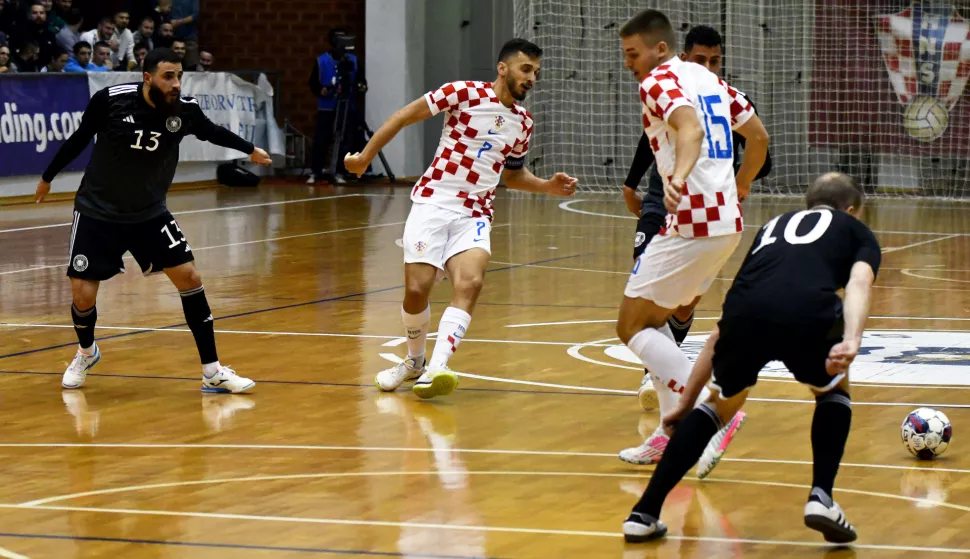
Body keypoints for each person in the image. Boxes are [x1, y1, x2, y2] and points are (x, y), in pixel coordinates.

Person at [622, 172, 879, 545]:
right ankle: (821, 496)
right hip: (806, 310)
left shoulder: (772, 227)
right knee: (833, 391)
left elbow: (723, 324)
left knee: (717, 405)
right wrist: (852, 339)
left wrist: (686, 402)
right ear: (851, 210)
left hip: (744, 314)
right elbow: (858, 284)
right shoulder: (857, 232)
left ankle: (643, 513)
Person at [344, 38, 578, 399]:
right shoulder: (463, 93)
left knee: (470, 284)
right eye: (526, 69)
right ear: (503, 69)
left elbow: (512, 176)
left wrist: (548, 186)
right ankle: (414, 362)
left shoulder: (523, 122)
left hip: (476, 213)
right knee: (416, 290)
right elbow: (405, 116)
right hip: (434, 202)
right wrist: (363, 158)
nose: (532, 78)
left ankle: (437, 367)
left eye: (536, 72)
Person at [34, 48, 272, 394]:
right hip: (98, 211)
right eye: (168, 76)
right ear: (147, 78)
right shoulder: (111, 102)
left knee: (190, 277)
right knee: (83, 295)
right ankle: (86, 352)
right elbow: (79, 138)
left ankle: (213, 370)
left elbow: (210, 131)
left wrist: (248, 149)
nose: (176, 83)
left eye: (179, 75)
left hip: (148, 212)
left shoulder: (184, 110)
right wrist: (48, 176)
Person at [613, 8, 769, 472]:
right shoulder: (712, 82)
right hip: (726, 221)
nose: (629, 63)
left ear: (660, 49)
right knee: (657, 321)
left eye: (633, 53)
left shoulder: (658, 80)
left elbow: (691, 128)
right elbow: (758, 138)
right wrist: (738, 187)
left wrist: (679, 176)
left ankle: (711, 413)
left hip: (693, 220)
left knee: (631, 325)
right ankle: (669, 433)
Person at [307, 28, 359, 185]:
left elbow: (359, 81)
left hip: (346, 107)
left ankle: (341, 171)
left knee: (345, 140)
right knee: (322, 139)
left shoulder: (353, 60)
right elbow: (313, 82)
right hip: (327, 107)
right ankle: (316, 171)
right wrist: (321, 90)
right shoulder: (322, 60)